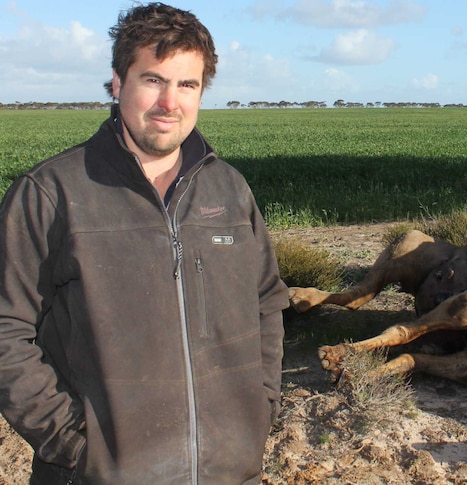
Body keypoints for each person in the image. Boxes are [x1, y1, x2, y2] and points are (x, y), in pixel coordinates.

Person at [0, 3, 290, 483]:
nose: (169, 103)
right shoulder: (52, 193)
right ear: (118, 84)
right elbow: (6, 329)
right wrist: (73, 443)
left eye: (187, 85)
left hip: (231, 472)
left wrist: (258, 410)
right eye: (153, 80)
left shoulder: (229, 190)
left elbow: (266, 302)